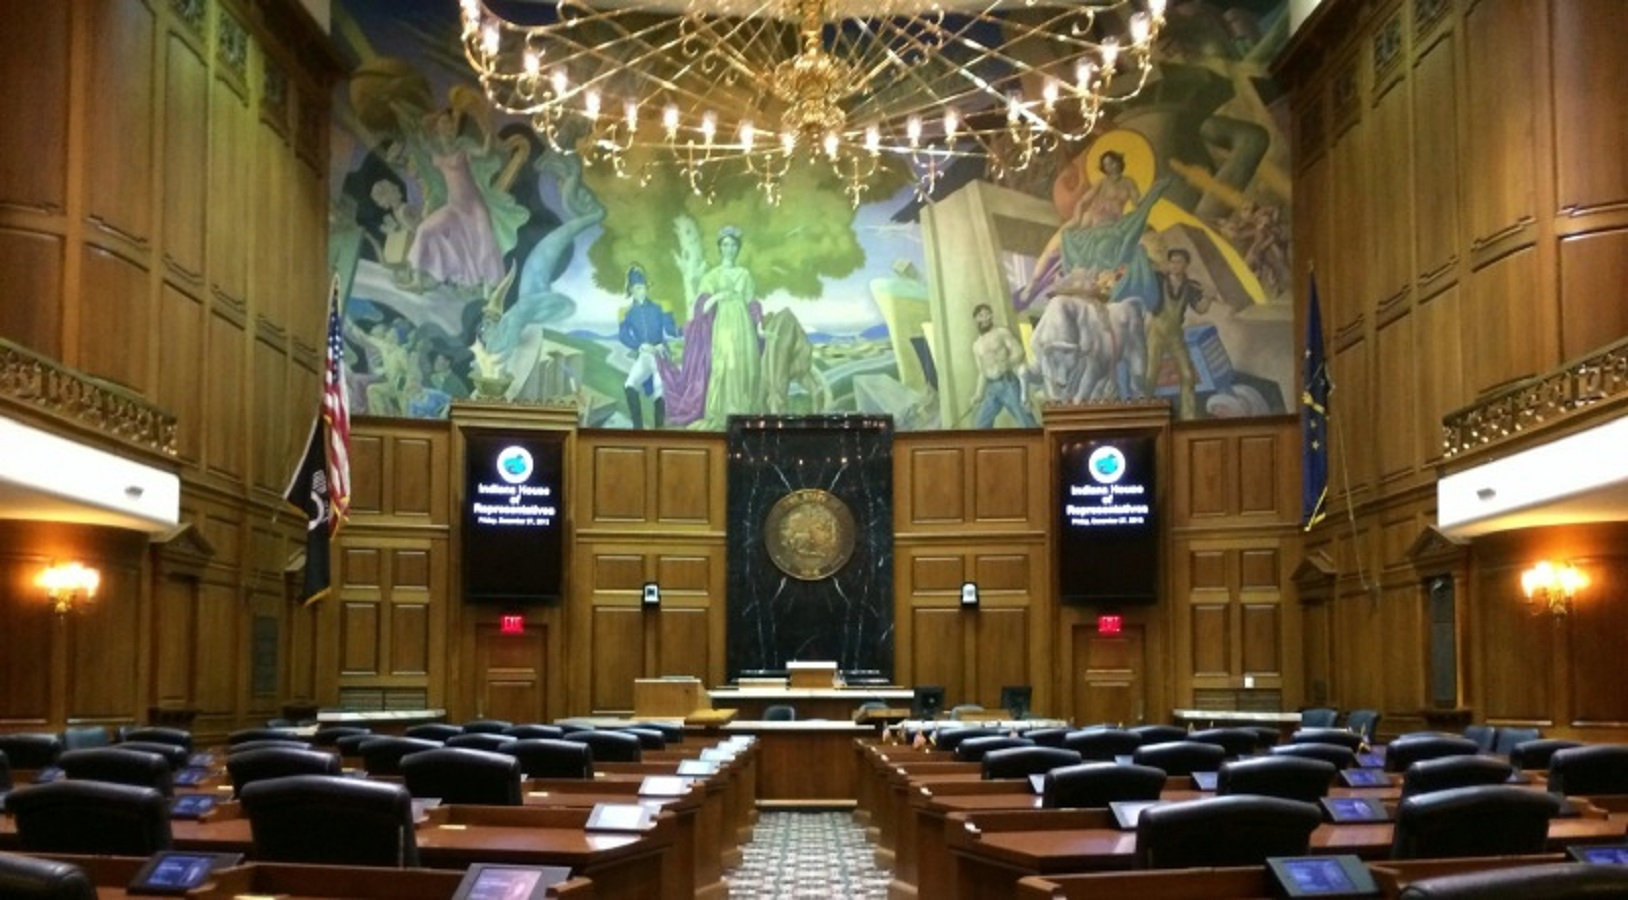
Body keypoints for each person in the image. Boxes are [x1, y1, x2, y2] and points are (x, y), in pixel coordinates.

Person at [695, 225, 762, 428]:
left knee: (745, 366)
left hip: (743, 325)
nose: (729, 248)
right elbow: (702, 307)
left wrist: (759, 326)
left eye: (733, 245)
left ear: (737, 248)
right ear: (720, 248)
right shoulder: (712, 275)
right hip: (724, 322)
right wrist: (718, 295)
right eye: (725, 244)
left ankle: (742, 412)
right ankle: (722, 412)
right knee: (725, 364)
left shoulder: (744, 274)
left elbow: (752, 302)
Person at [1144, 248, 1216, 418]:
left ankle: (1188, 417)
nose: (1175, 265)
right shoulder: (1158, 278)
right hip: (1156, 331)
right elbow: (1146, 267)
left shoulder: (1190, 287)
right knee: (1149, 375)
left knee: (1187, 375)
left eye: (1179, 262)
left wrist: (1209, 297)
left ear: (1186, 265)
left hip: (1176, 334)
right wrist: (1159, 267)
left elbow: (1201, 309)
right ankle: (1144, 411)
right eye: (1172, 261)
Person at [618, 264, 679, 428]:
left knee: (660, 391)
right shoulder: (626, 312)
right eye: (638, 288)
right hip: (644, 355)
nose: (642, 291)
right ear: (631, 290)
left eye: (644, 287)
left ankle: (658, 430)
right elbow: (623, 335)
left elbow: (671, 329)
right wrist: (640, 345)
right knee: (630, 386)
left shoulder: (660, 307)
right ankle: (637, 428)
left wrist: (688, 329)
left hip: (660, 355)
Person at [969, 303, 1038, 428]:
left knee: (1027, 423)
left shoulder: (1001, 332)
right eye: (981, 316)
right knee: (981, 425)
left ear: (991, 316)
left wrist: (1007, 363)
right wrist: (978, 394)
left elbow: (1019, 351)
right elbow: (982, 372)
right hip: (992, 389)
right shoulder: (976, 345)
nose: (985, 318)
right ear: (976, 319)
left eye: (987, 314)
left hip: (1008, 384)